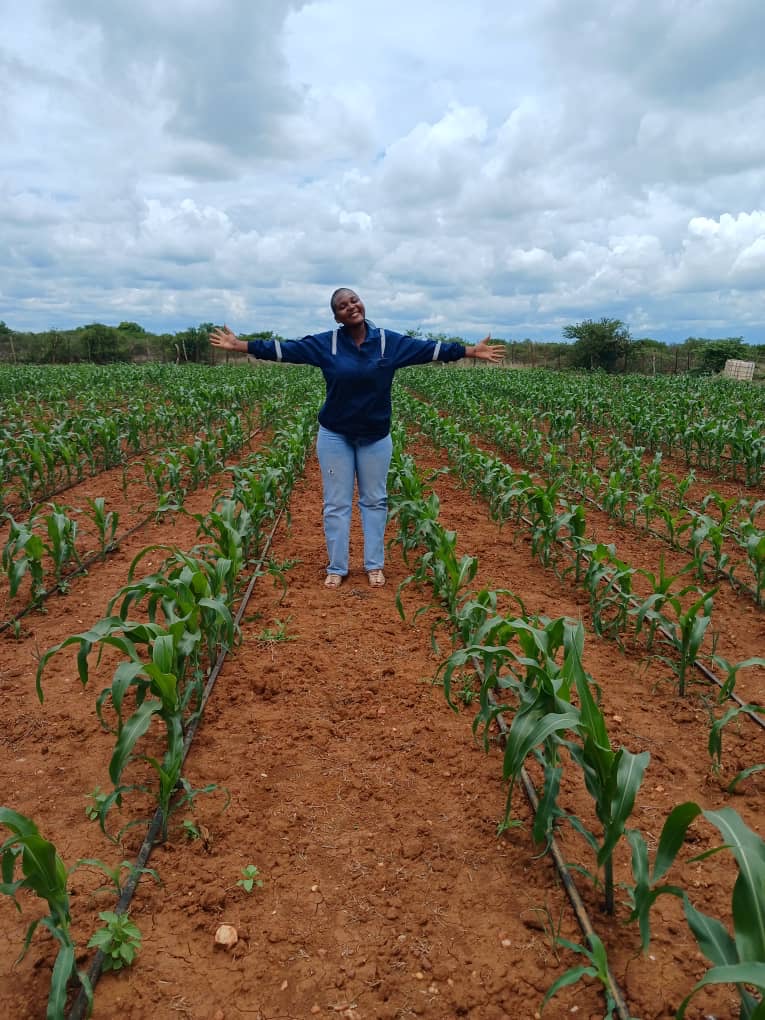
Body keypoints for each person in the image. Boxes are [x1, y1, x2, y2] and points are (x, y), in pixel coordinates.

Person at [210, 288, 504, 589]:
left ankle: (374, 565)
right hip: (335, 436)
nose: (351, 307)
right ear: (336, 315)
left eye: (354, 301)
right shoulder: (328, 344)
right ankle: (337, 567)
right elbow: (285, 349)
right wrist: (240, 345)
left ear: (362, 304)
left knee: (375, 501)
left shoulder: (389, 343)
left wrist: (470, 351)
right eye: (342, 306)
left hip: (375, 437)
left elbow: (431, 349)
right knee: (336, 503)